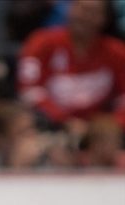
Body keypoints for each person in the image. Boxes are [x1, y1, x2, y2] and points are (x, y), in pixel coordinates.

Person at [17, 0, 125, 140]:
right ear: (70, 10)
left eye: (93, 12)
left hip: (101, 131)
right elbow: (29, 90)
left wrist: (114, 122)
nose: (85, 17)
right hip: (48, 125)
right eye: (82, 9)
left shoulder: (116, 52)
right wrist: (64, 121)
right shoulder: (41, 42)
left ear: (105, 19)